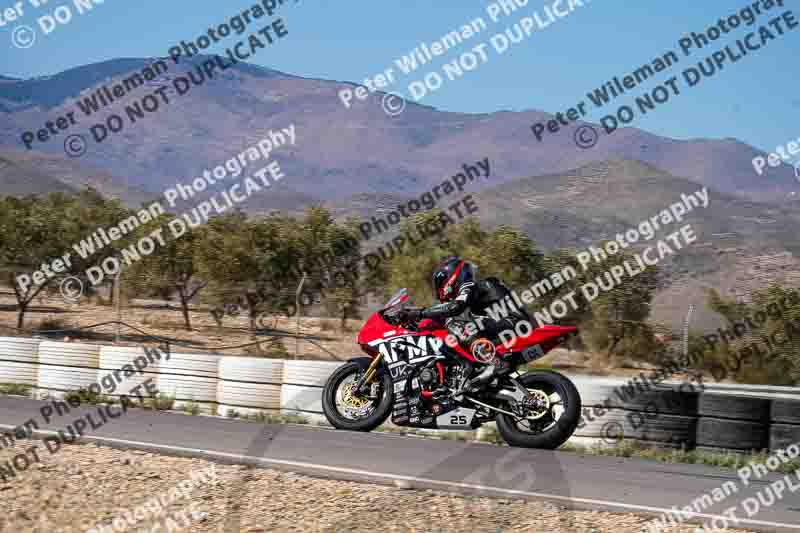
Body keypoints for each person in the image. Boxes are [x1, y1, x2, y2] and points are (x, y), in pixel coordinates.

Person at [397, 256, 529, 393]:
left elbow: (454, 307)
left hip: (513, 322)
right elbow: (447, 314)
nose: (439, 288)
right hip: (508, 324)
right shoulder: (472, 291)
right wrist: (415, 325)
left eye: (440, 282)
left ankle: (496, 363)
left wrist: (419, 313)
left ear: (451, 277)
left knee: (456, 324)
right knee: (453, 325)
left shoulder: (469, 285)